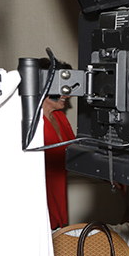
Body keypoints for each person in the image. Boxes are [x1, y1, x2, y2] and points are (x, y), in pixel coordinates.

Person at [42, 90, 75, 229]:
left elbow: (76, 153)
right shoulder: (31, 121)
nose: (67, 96)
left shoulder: (59, 116)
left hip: (58, 204)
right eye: (61, 91)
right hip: (40, 205)